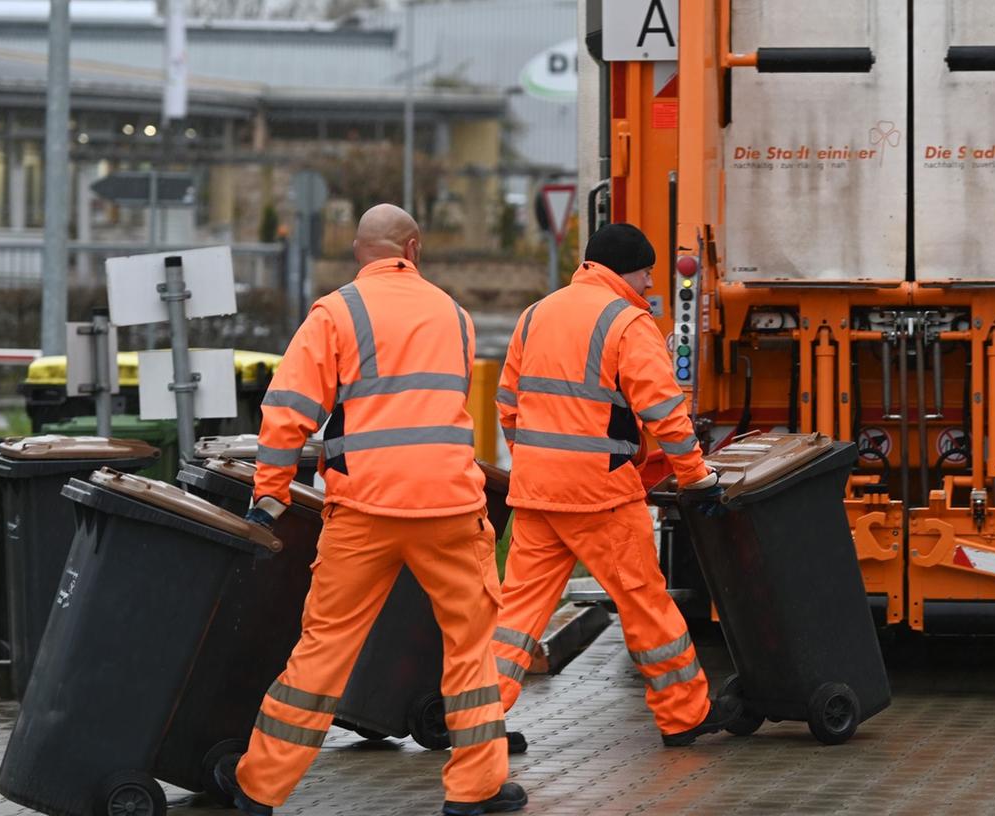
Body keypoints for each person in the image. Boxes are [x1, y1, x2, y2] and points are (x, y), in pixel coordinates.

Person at [215, 204, 527, 816]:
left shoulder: (336, 312)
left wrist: (271, 494)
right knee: (470, 648)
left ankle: (260, 786)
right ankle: (476, 789)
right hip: (448, 507)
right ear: (411, 247)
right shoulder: (455, 316)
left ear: (360, 252)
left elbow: (287, 411)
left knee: (325, 648)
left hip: (363, 509)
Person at [491, 223, 737, 749]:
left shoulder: (536, 314)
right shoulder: (627, 322)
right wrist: (697, 477)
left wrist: (536, 461)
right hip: (599, 495)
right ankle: (685, 713)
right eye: (647, 271)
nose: (650, 281)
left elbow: (507, 405)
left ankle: (475, 719)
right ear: (627, 268)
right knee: (644, 602)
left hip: (536, 493)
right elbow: (666, 412)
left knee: (516, 612)